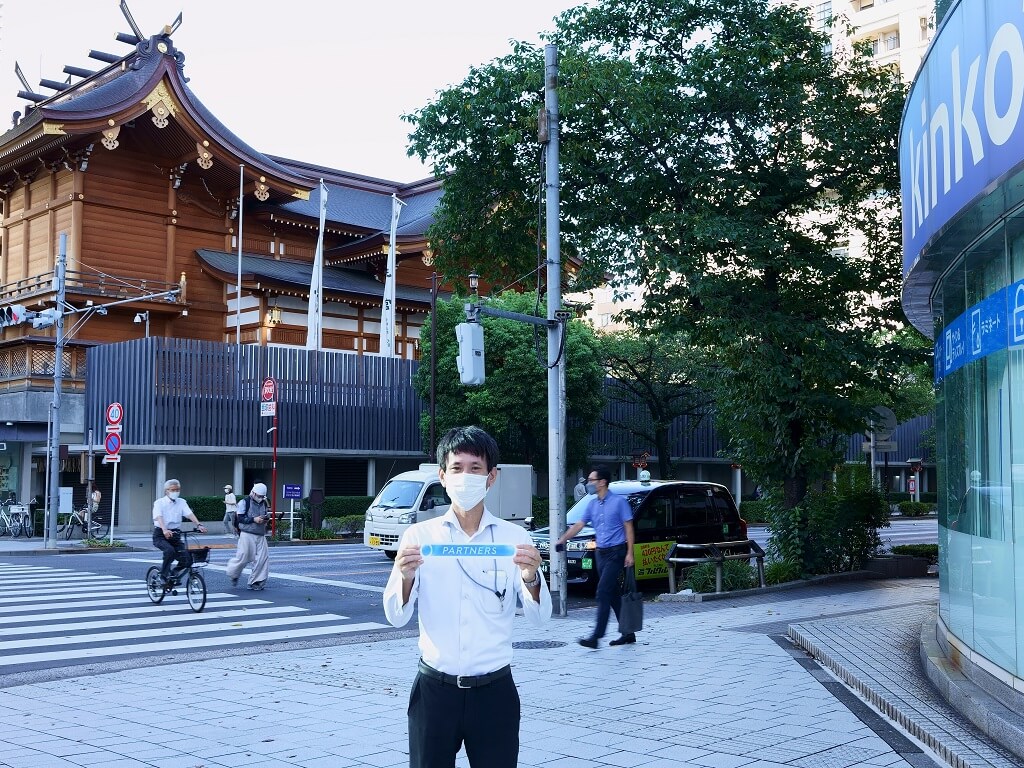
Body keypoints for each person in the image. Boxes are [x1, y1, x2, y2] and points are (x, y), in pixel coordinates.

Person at [384, 425, 551, 768]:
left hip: (495, 692)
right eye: (457, 468)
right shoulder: (418, 536)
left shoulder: (515, 538)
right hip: (434, 690)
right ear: (443, 476)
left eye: (475, 468)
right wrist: (405, 575)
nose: (466, 476)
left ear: (491, 477)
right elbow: (396, 616)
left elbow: (540, 617)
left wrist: (532, 577)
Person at [556, 464, 636, 648]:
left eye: (592, 480)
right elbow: (578, 525)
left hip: (616, 553)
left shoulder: (619, 503)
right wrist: (562, 540)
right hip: (601, 554)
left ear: (602, 482)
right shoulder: (591, 504)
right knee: (613, 594)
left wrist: (630, 553)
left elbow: (628, 527)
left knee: (602, 591)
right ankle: (628, 632)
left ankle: (596, 637)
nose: (589, 483)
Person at [152, 479, 206, 584]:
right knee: (169, 551)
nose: (175, 492)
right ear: (166, 491)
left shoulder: (182, 502)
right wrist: (164, 529)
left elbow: (189, 514)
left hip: (175, 534)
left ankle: (173, 573)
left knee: (187, 559)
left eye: (177, 490)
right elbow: (159, 516)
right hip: (160, 534)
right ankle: (163, 576)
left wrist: (199, 525)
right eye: (173, 490)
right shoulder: (159, 503)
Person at [225, 482, 271, 590]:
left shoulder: (264, 503)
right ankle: (233, 574)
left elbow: (265, 514)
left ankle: (256, 581)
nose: (260, 498)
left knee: (262, 558)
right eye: (259, 496)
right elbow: (240, 518)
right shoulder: (244, 502)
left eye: (262, 496)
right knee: (243, 557)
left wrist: (265, 519)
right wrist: (254, 519)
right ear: (254, 493)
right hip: (247, 533)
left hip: (260, 534)